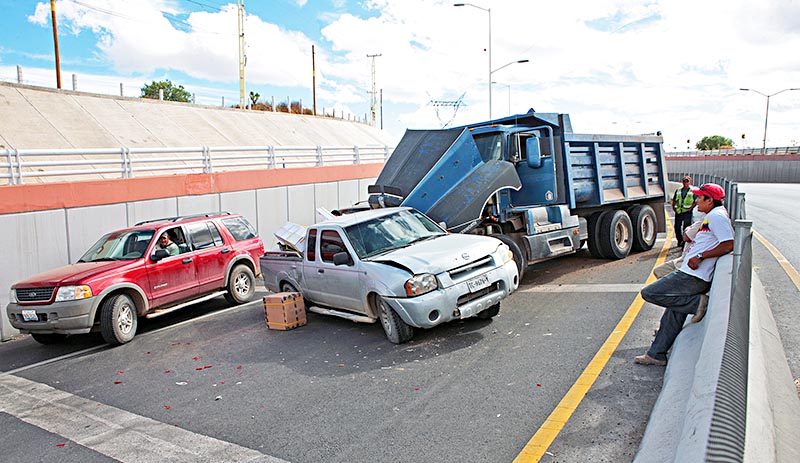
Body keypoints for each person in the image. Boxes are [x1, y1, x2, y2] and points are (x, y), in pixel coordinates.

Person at [635, 183, 734, 366]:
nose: (696, 201)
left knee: (650, 293)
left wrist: (700, 256)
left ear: (710, 200)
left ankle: (697, 303)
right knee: (673, 313)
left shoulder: (717, 217)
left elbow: (729, 244)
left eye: (700, 198)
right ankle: (656, 354)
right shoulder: (711, 216)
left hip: (693, 276)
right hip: (689, 272)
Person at [671, 176, 696, 250]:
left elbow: (695, 201)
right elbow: (674, 200)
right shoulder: (678, 190)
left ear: (690, 182)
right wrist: (674, 207)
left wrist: (691, 208)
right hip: (679, 211)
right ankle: (680, 241)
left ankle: (684, 243)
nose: (685, 183)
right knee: (677, 227)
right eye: (684, 181)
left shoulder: (692, 191)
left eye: (687, 181)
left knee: (686, 227)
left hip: (687, 212)